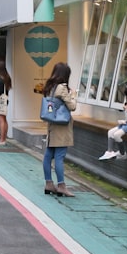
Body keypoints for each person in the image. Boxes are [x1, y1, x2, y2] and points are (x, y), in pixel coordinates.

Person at [41, 62, 78, 197]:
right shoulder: (62, 88)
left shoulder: (50, 86)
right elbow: (72, 106)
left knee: (48, 155)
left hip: (52, 125)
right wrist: (73, 94)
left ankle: (49, 183)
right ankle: (61, 185)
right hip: (61, 126)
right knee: (59, 157)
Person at [99, 85, 127, 161]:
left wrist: (125, 114)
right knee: (110, 132)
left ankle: (122, 154)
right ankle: (110, 151)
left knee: (116, 135)